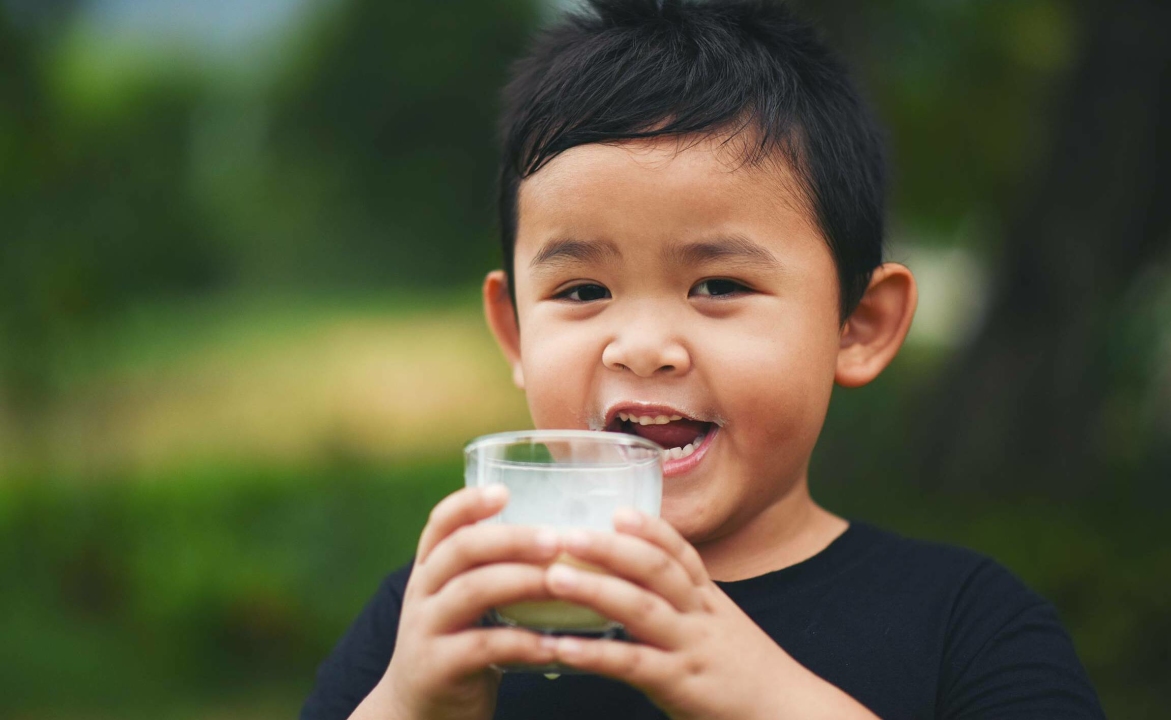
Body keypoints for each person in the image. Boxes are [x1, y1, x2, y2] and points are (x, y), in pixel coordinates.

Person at [301, 1, 1106, 718]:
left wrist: (764, 698)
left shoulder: (967, 623)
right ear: (514, 333)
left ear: (857, 325)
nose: (643, 347)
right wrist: (414, 703)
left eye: (718, 283)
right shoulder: (438, 616)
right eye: (582, 291)